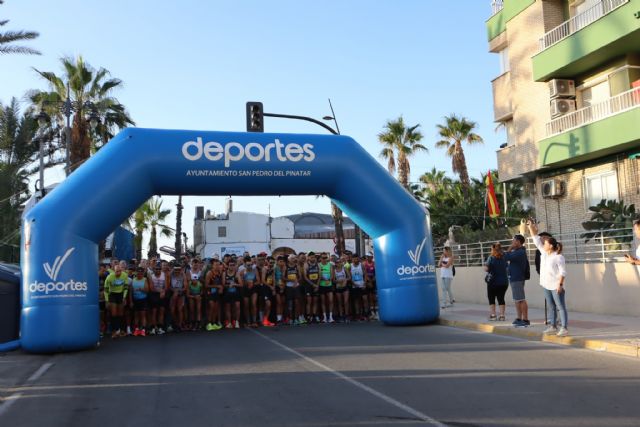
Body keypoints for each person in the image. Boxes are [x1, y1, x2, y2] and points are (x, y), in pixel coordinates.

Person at [528, 221, 569, 336]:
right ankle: (553, 326)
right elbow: (535, 238)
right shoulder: (544, 253)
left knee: (560, 307)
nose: (543, 244)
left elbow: (563, 272)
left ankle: (564, 328)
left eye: (545, 243)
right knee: (551, 306)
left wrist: (560, 285)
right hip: (545, 284)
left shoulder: (558, 257)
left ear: (550, 245)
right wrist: (530, 226)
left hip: (556, 286)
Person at [504, 234, 530, 327]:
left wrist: (510, 247)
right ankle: (519, 318)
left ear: (518, 242)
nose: (512, 242)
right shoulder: (517, 251)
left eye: (514, 241)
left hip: (517, 278)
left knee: (521, 299)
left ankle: (525, 319)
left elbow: (505, 257)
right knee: (517, 299)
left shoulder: (520, 252)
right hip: (514, 277)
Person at [483, 243, 509, 321]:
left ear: (493, 249)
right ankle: (502, 316)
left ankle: (493, 315)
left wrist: (485, 265)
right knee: (501, 299)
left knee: (491, 298)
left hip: (493, 282)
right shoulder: (504, 258)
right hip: (504, 282)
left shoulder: (491, 258)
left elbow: (486, 269)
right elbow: (507, 268)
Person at [104, 263, 129, 338]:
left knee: (121, 314)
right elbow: (106, 290)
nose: (118, 273)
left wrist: (124, 297)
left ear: (121, 271)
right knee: (114, 314)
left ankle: (122, 330)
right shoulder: (109, 277)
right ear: (113, 271)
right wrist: (107, 300)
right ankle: (114, 331)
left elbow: (125, 287)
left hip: (120, 294)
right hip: (112, 295)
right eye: (116, 271)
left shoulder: (124, 275)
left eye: (119, 271)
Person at [148, 263, 168, 335]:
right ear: (154, 270)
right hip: (154, 295)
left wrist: (163, 291)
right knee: (154, 311)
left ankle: (160, 327)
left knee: (161, 311)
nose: (158, 270)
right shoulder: (151, 276)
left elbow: (166, 286)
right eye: (156, 269)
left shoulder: (164, 275)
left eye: (159, 269)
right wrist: (160, 291)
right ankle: (153, 327)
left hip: (162, 294)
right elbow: (151, 288)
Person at [130, 266, 150, 336]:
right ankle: (137, 330)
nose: (139, 274)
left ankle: (143, 330)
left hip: (143, 300)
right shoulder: (133, 280)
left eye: (141, 273)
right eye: (138, 273)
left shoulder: (145, 280)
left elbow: (147, 290)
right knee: (136, 315)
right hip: (135, 300)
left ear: (143, 273)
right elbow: (130, 292)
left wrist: (141, 289)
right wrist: (131, 301)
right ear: (136, 273)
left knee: (142, 315)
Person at [204, 259, 223, 331]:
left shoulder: (219, 272)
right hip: (210, 293)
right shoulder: (209, 273)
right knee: (211, 308)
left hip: (217, 293)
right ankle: (208, 324)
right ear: (212, 265)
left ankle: (213, 323)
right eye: (216, 265)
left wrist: (220, 288)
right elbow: (206, 285)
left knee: (216, 308)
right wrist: (217, 286)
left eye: (218, 265)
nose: (217, 266)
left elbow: (220, 283)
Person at [223, 259, 241, 329]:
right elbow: (223, 284)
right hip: (228, 293)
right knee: (228, 308)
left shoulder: (236, 273)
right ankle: (229, 322)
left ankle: (237, 322)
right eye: (230, 265)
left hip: (235, 293)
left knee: (237, 307)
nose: (232, 267)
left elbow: (241, 284)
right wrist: (228, 286)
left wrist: (235, 284)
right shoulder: (224, 273)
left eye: (233, 265)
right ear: (228, 266)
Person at [169, 265, 187, 332]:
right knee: (172, 310)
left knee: (180, 309)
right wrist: (174, 291)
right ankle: (175, 323)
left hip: (180, 293)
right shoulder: (171, 275)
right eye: (176, 270)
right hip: (173, 292)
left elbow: (185, 287)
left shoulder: (183, 275)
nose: (177, 271)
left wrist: (178, 291)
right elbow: (169, 286)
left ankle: (180, 325)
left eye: (178, 270)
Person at [318, 253, 335, 323]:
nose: (325, 259)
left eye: (326, 258)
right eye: (323, 258)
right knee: (323, 301)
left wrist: (329, 279)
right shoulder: (319, 265)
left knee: (331, 300)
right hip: (322, 285)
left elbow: (332, 274)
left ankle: (330, 317)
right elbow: (319, 275)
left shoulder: (330, 265)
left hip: (329, 285)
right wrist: (324, 279)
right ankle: (324, 317)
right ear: (321, 258)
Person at [303, 252, 320, 322]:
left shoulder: (317, 265)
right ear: (308, 258)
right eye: (311, 257)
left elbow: (320, 275)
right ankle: (308, 316)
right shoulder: (306, 265)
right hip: (309, 285)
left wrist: (317, 285)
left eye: (314, 257)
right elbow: (305, 277)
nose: (313, 258)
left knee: (315, 301)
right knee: (309, 301)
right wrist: (313, 284)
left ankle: (314, 316)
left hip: (316, 285)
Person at [333, 258, 350, 322]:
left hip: (345, 287)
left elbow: (349, 277)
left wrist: (345, 280)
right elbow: (333, 280)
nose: (338, 263)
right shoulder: (334, 270)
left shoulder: (344, 269)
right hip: (338, 287)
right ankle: (341, 315)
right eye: (337, 262)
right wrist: (338, 281)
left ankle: (346, 315)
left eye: (340, 262)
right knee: (340, 302)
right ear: (336, 264)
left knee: (346, 301)